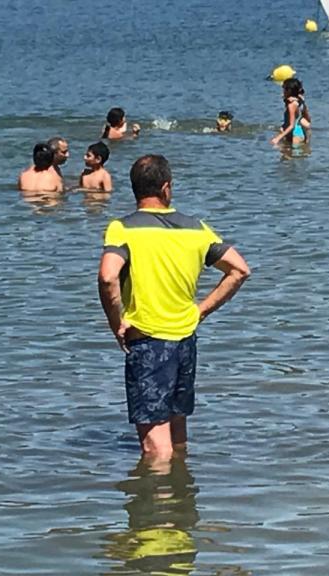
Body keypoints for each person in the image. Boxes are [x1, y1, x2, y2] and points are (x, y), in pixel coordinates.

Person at [98, 155, 250, 461]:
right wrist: (200, 310)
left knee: (156, 449)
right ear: (166, 188)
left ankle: (161, 505)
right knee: (178, 436)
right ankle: (184, 502)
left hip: (148, 341)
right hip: (186, 340)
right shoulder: (197, 229)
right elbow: (239, 270)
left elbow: (107, 276)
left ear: (134, 189)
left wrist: (117, 324)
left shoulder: (122, 228)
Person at [270, 78, 311, 146]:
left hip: (295, 135)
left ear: (288, 91)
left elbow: (291, 126)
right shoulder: (300, 100)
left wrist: (277, 138)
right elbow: (308, 120)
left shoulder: (291, 105)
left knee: (288, 155)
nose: (282, 91)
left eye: (284, 89)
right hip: (301, 132)